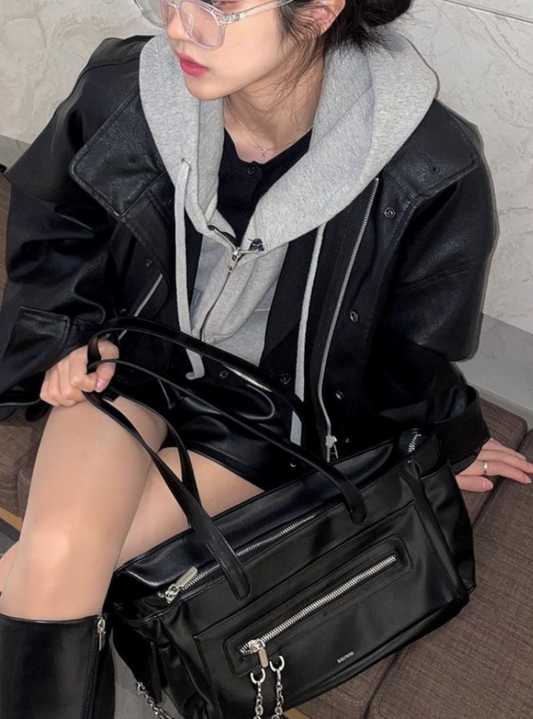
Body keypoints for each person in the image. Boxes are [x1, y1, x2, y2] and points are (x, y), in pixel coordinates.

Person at [0, 0, 531, 715]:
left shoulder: (427, 165)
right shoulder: (128, 88)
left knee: (63, 562)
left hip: (272, 418)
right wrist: (72, 334)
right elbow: (60, 223)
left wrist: (453, 436)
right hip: (139, 360)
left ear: (317, 11)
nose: (179, 26)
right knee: (61, 548)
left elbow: (411, 346)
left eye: (217, 6)